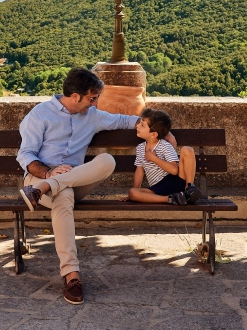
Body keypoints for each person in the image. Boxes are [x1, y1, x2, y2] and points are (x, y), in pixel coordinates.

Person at [16, 67, 166, 305]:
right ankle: (71, 275)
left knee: (107, 161)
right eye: (92, 98)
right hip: (38, 179)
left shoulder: (93, 116)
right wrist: (48, 172)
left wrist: (161, 131)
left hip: (70, 181)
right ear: (75, 96)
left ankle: (47, 187)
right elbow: (25, 156)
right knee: (62, 195)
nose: (95, 103)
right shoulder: (40, 114)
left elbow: (127, 121)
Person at [127, 108, 202, 205]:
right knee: (133, 193)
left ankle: (189, 188)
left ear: (153, 134)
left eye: (142, 125)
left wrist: (154, 158)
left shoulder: (164, 146)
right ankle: (171, 199)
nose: (137, 126)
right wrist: (134, 191)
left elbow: (174, 170)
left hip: (175, 182)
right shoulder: (140, 148)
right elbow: (139, 171)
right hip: (158, 189)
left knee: (187, 150)